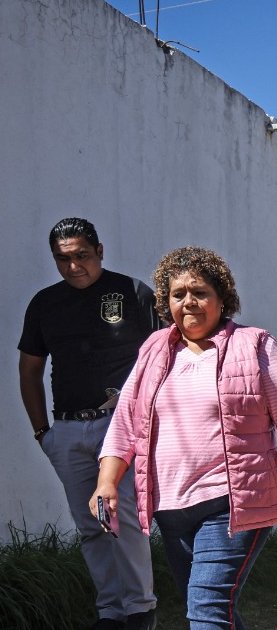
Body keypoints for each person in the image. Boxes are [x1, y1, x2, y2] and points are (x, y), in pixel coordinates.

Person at [92, 246, 277, 629]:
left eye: (199, 292)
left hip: (232, 502)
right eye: (178, 294)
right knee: (213, 610)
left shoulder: (255, 344)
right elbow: (126, 423)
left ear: (221, 298)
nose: (189, 302)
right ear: (166, 302)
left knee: (207, 611)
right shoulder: (154, 350)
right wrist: (106, 482)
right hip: (170, 505)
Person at [18, 218, 158, 630]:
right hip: (66, 430)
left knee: (124, 519)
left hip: (120, 425)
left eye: (81, 255)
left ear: (99, 251)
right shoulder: (45, 303)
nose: (73, 265)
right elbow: (29, 370)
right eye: (63, 259)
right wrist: (43, 433)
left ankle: (140, 609)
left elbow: (161, 358)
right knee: (89, 526)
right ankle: (111, 611)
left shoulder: (132, 293)